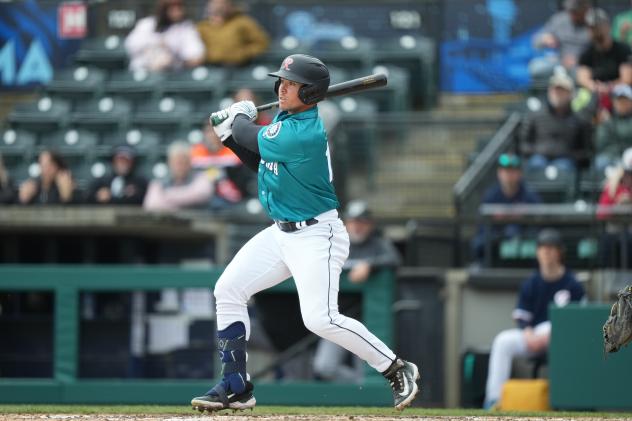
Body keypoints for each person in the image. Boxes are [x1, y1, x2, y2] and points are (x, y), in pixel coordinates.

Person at [190, 54, 419, 412]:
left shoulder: (305, 131)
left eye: (292, 83)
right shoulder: (286, 120)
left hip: (317, 235)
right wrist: (231, 138)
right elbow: (261, 161)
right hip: (281, 232)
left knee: (320, 319)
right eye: (281, 81)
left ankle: (395, 367)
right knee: (228, 289)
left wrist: (235, 122)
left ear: (310, 93)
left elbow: (250, 134)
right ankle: (236, 384)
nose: (282, 87)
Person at [483, 228, 585, 410]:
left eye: (551, 248)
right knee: (502, 341)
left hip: (562, 339)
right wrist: (529, 334)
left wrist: (549, 335)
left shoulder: (573, 284)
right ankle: (493, 400)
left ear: (559, 252)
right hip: (533, 336)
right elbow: (523, 317)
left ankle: (566, 402)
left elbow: (577, 319)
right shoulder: (531, 282)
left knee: (550, 327)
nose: (546, 252)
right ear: (537, 252)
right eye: (542, 248)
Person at [312, 199, 401, 383]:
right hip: (337, 317)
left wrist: (370, 265)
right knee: (324, 367)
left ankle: (365, 400)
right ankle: (356, 389)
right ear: (346, 223)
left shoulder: (378, 245)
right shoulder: (336, 243)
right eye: (354, 221)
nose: (358, 226)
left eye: (363, 222)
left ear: (370, 225)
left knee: (367, 373)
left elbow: (394, 260)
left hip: (367, 320)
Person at [471, 153, 542, 264]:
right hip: (496, 239)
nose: (509, 175)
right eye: (505, 171)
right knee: (479, 243)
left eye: (512, 171)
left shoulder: (530, 196)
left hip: (522, 241)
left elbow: (537, 227)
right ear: (499, 173)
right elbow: (482, 228)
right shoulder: (491, 196)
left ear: (519, 173)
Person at [519, 71, 592, 172]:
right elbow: (524, 144)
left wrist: (570, 155)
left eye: (562, 90)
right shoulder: (536, 116)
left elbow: (585, 149)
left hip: (566, 161)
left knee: (563, 167)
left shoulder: (579, 120)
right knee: (536, 163)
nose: (557, 94)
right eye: (554, 90)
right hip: (539, 157)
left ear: (570, 94)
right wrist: (538, 150)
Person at [576, 8, 632, 114]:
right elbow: (582, 78)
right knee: (581, 99)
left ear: (607, 26)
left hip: (619, 90)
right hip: (595, 92)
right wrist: (596, 87)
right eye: (592, 27)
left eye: (598, 26)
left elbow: (627, 79)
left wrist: (609, 87)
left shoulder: (622, 49)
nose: (595, 31)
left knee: (623, 93)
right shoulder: (586, 52)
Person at [124, 0, 205, 72]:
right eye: (172, 9)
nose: (177, 12)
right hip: (143, 72)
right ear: (163, 9)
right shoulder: (146, 24)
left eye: (179, 8)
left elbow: (196, 55)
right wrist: (155, 44)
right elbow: (130, 45)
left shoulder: (186, 28)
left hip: (172, 76)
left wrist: (173, 55)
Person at [143, 141, 213, 211]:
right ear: (169, 162)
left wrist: (167, 195)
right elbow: (151, 205)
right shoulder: (158, 182)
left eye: (184, 162)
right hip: (168, 221)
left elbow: (201, 195)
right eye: (177, 162)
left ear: (190, 162)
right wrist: (184, 201)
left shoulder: (201, 177)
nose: (180, 166)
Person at [529, 0, 591, 79]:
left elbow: (600, 51)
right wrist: (544, 39)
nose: (573, 14)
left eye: (577, 11)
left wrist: (578, 60)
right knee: (536, 67)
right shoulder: (559, 20)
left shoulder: (593, 23)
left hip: (581, 66)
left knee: (585, 73)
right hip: (559, 62)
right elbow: (535, 41)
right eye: (571, 10)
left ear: (586, 9)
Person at [196, 0, 270, 67]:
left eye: (222, 3)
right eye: (215, 3)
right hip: (211, 67)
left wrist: (243, 53)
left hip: (239, 67)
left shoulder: (243, 22)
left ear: (230, 5)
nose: (219, 6)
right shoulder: (202, 26)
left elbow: (262, 43)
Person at [596, 148, 632, 268]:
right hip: (615, 231)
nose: (630, 177)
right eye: (628, 173)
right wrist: (616, 205)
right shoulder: (613, 186)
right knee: (608, 241)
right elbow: (600, 214)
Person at [594, 84, 632, 171]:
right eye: (619, 101)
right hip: (612, 156)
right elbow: (600, 144)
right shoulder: (607, 122)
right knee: (601, 162)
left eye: (625, 101)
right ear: (614, 102)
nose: (622, 104)